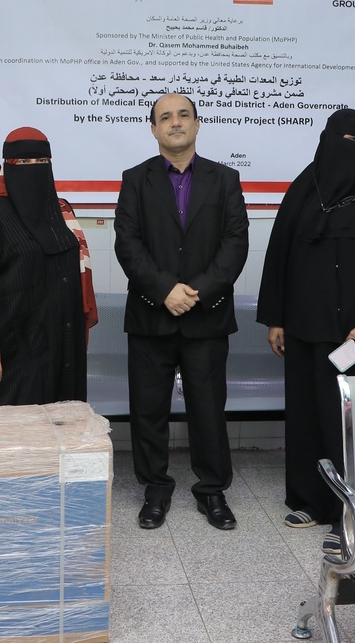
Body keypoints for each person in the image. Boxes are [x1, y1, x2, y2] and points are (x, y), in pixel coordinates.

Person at [257, 108, 355, 554]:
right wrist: (277, 317)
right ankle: (311, 500)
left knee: (351, 423)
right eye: (346, 140)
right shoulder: (304, 188)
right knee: (306, 416)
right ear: (325, 140)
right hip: (304, 327)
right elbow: (280, 252)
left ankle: (352, 511)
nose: (354, 150)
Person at [114, 93, 249, 531]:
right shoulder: (134, 179)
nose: (175, 123)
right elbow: (127, 244)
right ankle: (155, 489)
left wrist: (198, 292)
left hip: (206, 316)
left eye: (183, 115)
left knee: (208, 409)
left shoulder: (225, 179)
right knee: (148, 409)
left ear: (197, 124)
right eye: (165, 117)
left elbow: (235, 243)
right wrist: (165, 290)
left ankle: (212, 492)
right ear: (153, 129)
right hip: (152, 315)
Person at [0, 127, 97, 405]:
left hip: (63, 348)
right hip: (15, 352)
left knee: (63, 430)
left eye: (41, 162)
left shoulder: (61, 211)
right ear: (8, 166)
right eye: (23, 163)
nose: (32, 169)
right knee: (20, 437)